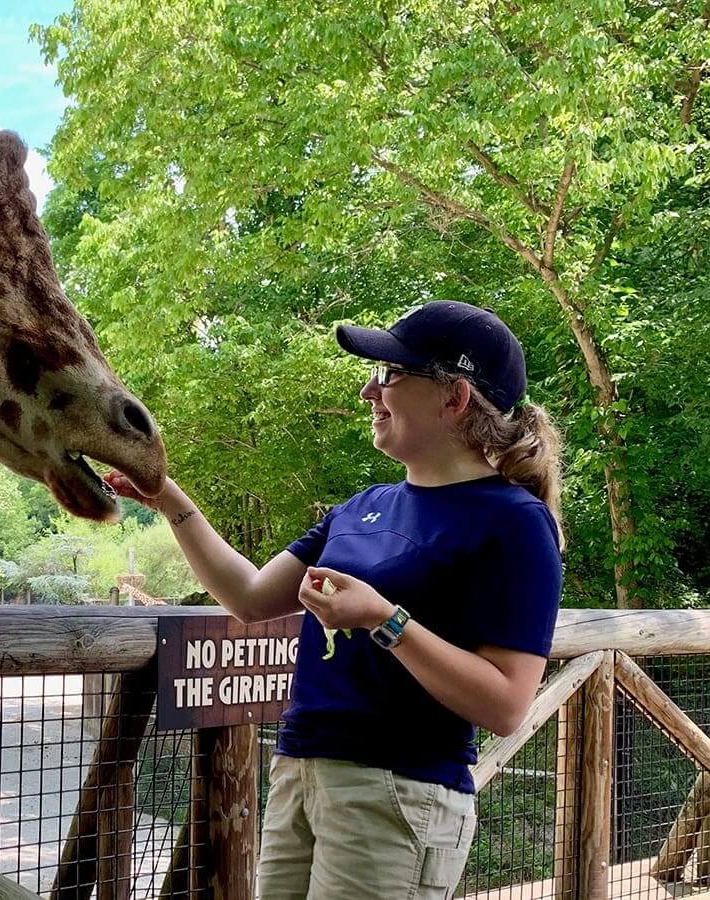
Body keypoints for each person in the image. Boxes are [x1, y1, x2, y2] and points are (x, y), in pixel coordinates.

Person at [107, 300, 564, 900]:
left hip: (400, 794)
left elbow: (505, 704)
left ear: (454, 398)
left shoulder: (516, 524)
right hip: (299, 772)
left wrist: (384, 619)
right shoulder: (362, 507)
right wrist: (166, 497)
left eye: (390, 375)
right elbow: (249, 596)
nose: (368, 392)